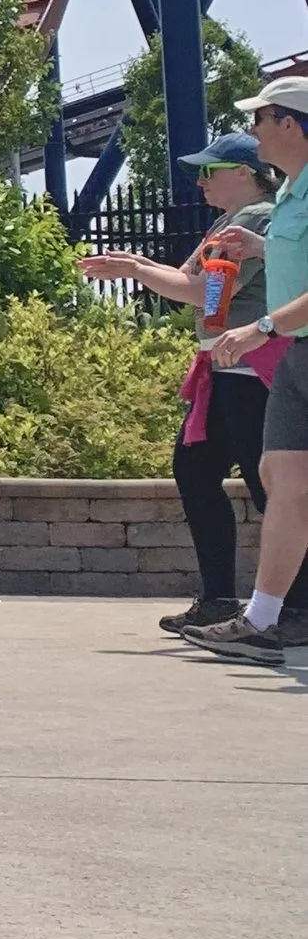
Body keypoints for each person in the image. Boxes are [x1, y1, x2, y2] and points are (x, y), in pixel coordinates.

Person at [82, 136, 282, 635]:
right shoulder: (226, 223)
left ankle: (290, 609)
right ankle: (218, 598)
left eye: (209, 171)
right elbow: (186, 281)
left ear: (243, 171)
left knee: (270, 489)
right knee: (196, 472)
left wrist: (135, 271)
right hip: (222, 370)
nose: (199, 181)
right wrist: (138, 264)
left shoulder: (258, 219)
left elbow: (202, 292)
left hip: (253, 372)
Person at [184, 75, 308, 666]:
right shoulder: (288, 195)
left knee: (284, 485)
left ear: (289, 123)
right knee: (281, 482)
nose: (252, 129)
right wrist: (259, 249)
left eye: (260, 118)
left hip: (280, 344)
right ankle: (263, 620)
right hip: (295, 355)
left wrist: (260, 328)